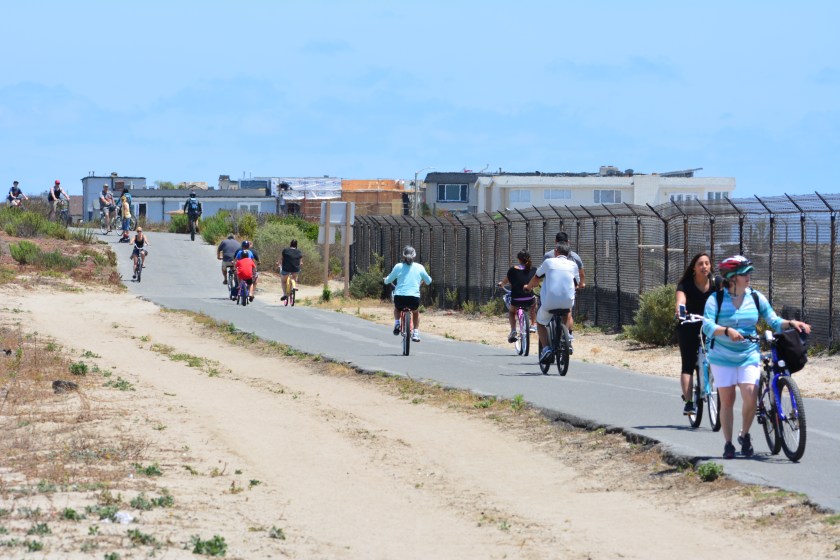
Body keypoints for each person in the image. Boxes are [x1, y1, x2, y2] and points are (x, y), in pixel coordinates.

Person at [702, 255, 811, 460]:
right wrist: (726, 331)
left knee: (750, 397)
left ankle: (744, 434)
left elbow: (774, 320)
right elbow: (706, 326)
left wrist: (793, 323)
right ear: (732, 277)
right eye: (745, 274)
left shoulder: (755, 297)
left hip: (748, 354)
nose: (749, 277)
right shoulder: (715, 299)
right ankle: (728, 443)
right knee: (727, 400)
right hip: (722, 356)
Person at [525, 242, 579, 364]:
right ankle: (565, 340)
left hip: (550, 302)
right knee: (566, 313)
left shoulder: (548, 262)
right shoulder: (573, 265)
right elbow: (576, 283)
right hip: (567, 301)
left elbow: (536, 277)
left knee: (540, 322)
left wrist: (528, 287)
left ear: (556, 252)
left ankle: (546, 348)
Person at [675, 252, 714, 415]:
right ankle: (689, 402)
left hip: (710, 325)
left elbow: (725, 299)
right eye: (700, 264)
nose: (704, 266)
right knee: (688, 364)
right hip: (689, 325)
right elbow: (681, 301)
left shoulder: (716, 282)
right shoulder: (686, 284)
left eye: (707, 263)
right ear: (694, 268)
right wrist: (681, 312)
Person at [383, 245, 432, 342]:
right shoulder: (420, 267)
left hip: (400, 297)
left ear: (403, 256)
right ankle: (416, 333)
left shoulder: (398, 266)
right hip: (413, 298)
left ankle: (397, 323)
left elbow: (388, 280)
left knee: (397, 309)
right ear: (414, 256)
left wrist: (386, 280)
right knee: (415, 312)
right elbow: (429, 281)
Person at [497, 249, 537, 342]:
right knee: (534, 303)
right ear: (529, 258)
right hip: (529, 298)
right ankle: (533, 324)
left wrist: (501, 284)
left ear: (518, 259)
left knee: (512, 312)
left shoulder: (512, 270)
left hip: (516, 299)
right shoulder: (534, 270)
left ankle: (513, 330)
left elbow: (505, 282)